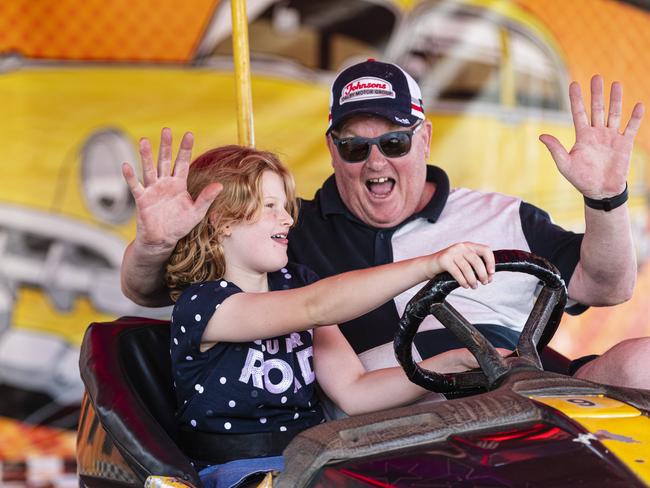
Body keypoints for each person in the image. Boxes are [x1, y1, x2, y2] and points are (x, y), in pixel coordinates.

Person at [120, 59, 650, 392]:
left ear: (424, 139)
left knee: (641, 363)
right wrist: (156, 243)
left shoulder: (502, 215)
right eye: (354, 147)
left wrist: (606, 199)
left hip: (530, 387)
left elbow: (608, 286)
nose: (375, 164)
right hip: (394, 426)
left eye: (393, 142)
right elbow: (155, 290)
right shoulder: (286, 232)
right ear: (332, 149)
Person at [160, 143, 501, 487]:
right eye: (269, 207)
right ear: (223, 221)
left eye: (285, 206)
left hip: (312, 457)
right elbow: (316, 306)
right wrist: (429, 264)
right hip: (237, 471)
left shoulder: (296, 281)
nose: (288, 218)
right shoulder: (203, 304)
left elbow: (355, 392)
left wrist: (449, 364)